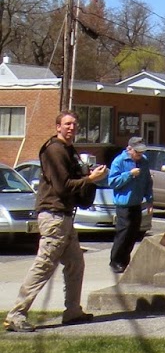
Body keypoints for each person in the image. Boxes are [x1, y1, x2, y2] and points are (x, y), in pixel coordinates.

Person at [5, 111, 107, 332]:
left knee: (75, 263)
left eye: (74, 124)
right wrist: (90, 179)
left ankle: (72, 312)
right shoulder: (54, 150)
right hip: (53, 216)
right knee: (44, 266)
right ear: (57, 127)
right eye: (67, 124)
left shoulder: (68, 150)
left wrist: (88, 176)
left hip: (64, 216)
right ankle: (16, 314)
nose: (72, 128)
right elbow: (62, 186)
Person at [106, 136, 154, 275]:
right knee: (123, 233)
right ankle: (115, 261)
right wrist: (129, 174)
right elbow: (113, 182)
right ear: (129, 149)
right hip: (124, 205)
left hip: (136, 203)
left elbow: (147, 182)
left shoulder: (144, 162)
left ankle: (125, 261)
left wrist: (150, 200)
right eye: (137, 152)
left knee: (133, 234)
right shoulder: (119, 161)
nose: (139, 155)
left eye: (141, 152)